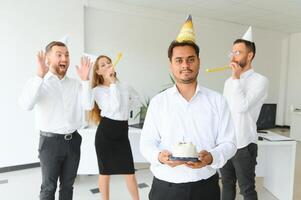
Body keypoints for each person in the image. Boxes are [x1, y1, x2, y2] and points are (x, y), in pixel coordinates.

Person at [140, 15, 237, 200]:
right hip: (165, 189)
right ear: (171, 65)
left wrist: (212, 157)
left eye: (191, 59)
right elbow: (146, 143)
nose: (185, 65)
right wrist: (160, 157)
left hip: (205, 189)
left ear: (199, 61)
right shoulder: (158, 102)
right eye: (179, 60)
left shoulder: (217, 101)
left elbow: (229, 143)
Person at [19, 41, 93, 200]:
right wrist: (39, 76)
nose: (64, 58)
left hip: (73, 141)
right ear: (48, 59)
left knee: (68, 186)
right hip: (50, 143)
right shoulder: (40, 82)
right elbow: (26, 105)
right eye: (59, 54)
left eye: (66, 55)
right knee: (48, 188)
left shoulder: (75, 84)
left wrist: (86, 81)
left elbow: (88, 105)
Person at [220, 27, 269, 200]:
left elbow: (242, 106)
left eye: (238, 52)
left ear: (250, 56)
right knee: (226, 183)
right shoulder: (229, 82)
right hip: (227, 142)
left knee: (247, 189)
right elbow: (225, 111)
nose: (234, 56)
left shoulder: (260, 81)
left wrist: (236, 77)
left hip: (244, 143)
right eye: (232, 52)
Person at [88, 55, 140, 200]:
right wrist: (112, 84)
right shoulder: (97, 90)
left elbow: (137, 101)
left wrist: (126, 106)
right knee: (105, 173)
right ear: (98, 72)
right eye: (102, 65)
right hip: (106, 133)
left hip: (122, 133)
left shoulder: (125, 85)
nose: (107, 65)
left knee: (129, 172)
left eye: (108, 63)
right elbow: (115, 107)